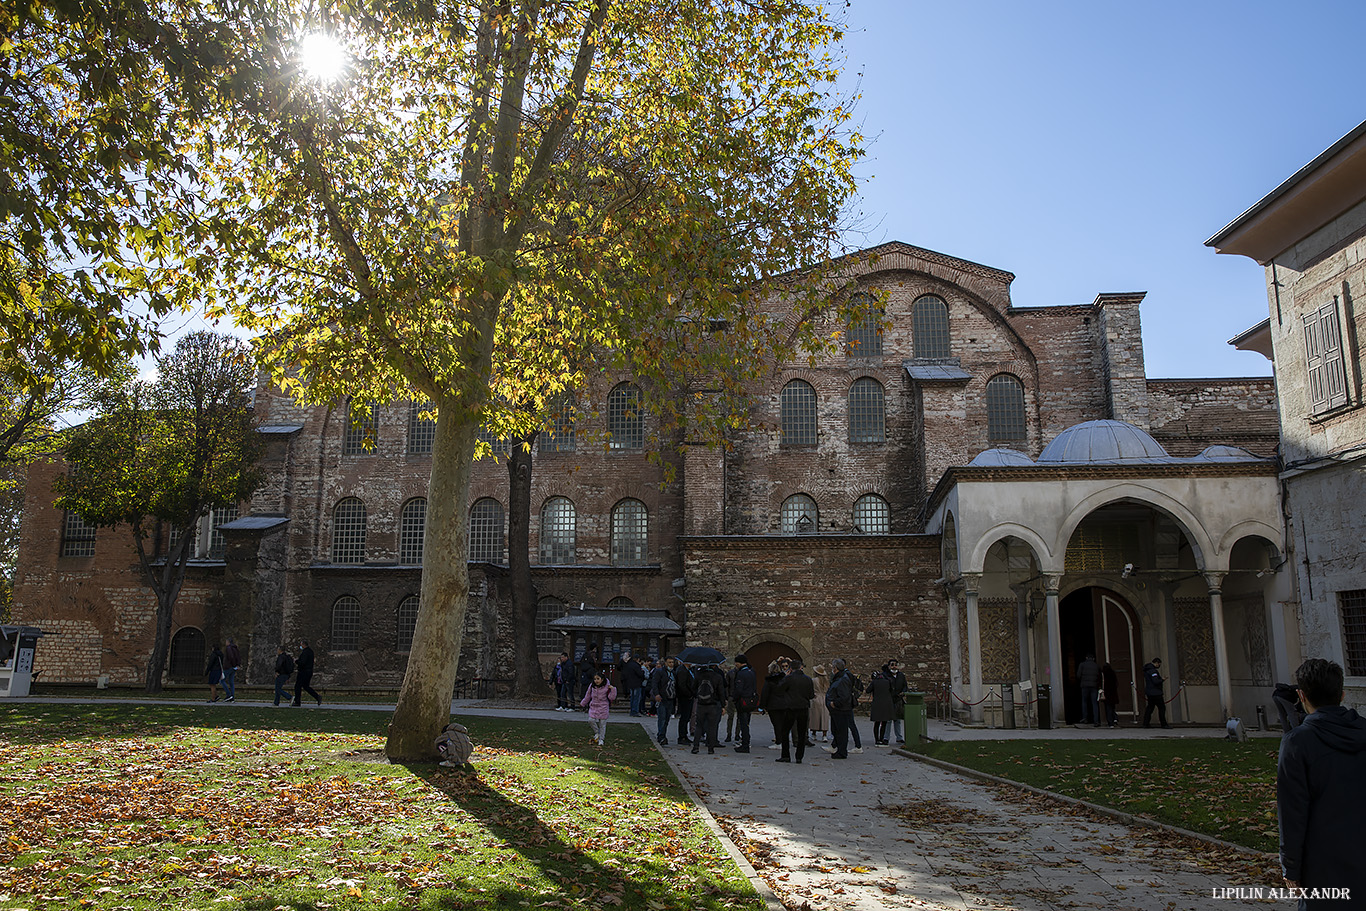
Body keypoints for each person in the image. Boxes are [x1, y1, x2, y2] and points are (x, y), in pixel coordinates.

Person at [1276, 658, 1366, 909]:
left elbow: (1292, 811)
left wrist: (1290, 867)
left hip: (1322, 865)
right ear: (1343, 694)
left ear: (1301, 696)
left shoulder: (1297, 743)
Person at [774, 658, 814, 763]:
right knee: (802, 733)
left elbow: (779, 690)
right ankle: (799, 756)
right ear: (801, 667)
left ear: (791, 668)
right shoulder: (808, 679)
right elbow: (811, 695)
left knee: (785, 731)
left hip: (790, 708)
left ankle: (786, 755)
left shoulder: (789, 678)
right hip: (803, 708)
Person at [691, 662, 728, 754]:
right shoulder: (717, 676)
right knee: (712, 726)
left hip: (701, 704)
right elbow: (721, 692)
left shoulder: (699, 675)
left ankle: (695, 746)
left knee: (699, 726)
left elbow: (693, 688)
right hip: (713, 704)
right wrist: (723, 705)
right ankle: (710, 748)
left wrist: (698, 696)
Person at [825, 657, 856, 759]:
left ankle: (842, 751)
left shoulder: (843, 679)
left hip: (841, 709)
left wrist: (835, 703)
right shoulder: (839, 678)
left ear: (836, 668)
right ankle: (839, 749)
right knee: (838, 731)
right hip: (837, 710)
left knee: (842, 731)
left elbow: (844, 696)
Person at [580, 672, 617, 746]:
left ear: (602, 679)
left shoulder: (607, 686)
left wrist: (613, 690)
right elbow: (588, 695)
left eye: (598, 679)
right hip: (593, 706)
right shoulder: (592, 686)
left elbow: (611, 697)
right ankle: (597, 733)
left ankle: (601, 739)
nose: (596, 681)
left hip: (603, 707)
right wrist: (583, 703)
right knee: (591, 720)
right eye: (594, 679)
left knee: (602, 724)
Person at [650, 656, 680, 745]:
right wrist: (657, 694)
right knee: (662, 718)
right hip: (662, 698)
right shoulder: (660, 672)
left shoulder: (674, 673)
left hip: (670, 698)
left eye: (672, 662)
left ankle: (663, 734)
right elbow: (654, 683)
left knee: (667, 718)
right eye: (669, 662)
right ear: (665, 663)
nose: (671, 664)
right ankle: (661, 736)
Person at [731, 654, 758, 753]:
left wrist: (734, 698)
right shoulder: (752, 672)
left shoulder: (741, 674)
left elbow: (739, 689)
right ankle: (745, 742)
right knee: (746, 722)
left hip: (743, 701)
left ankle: (745, 744)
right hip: (750, 700)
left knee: (743, 723)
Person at [758, 659, 786, 749]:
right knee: (783, 723)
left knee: (776, 724)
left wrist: (761, 707)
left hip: (773, 705)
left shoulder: (769, 681)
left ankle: (779, 742)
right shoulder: (784, 679)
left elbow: (765, 693)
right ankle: (783, 741)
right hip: (784, 704)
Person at [1141, 657, 1170, 729]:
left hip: (1150, 692)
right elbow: (1156, 681)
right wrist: (1162, 679)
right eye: (1159, 664)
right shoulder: (1153, 671)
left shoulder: (1147, 670)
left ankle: (1145, 723)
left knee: (1150, 708)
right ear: (1156, 663)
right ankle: (1164, 724)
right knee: (1161, 708)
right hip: (1156, 693)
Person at [869, 665, 895, 745]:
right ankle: (882, 738)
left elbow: (867, 690)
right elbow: (892, 690)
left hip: (877, 703)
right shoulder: (888, 681)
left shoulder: (874, 682)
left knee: (877, 723)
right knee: (884, 723)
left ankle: (877, 739)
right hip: (886, 704)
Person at [293, 639, 322, 707]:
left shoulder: (305, 652)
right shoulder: (310, 651)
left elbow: (303, 662)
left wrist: (296, 661)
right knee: (306, 686)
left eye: (301, 645)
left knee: (298, 686)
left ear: (303, 645)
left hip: (303, 671)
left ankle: (297, 701)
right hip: (308, 671)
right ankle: (317, 697)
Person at [886, 659, 908, 744]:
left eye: (895, 665)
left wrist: (903, 692)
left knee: (897, 720)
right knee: (888, 720)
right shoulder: (886, 676)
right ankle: (886, 737)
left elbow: (905, 686)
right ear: (889, 666)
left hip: (898, 700)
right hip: (889, 700)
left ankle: (899, 737)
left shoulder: (901, 676)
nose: (894, 666)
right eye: (892, 665)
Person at [674, 660, 696, 746]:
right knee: (684, 717)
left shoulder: (688, 670)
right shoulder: (682, 670)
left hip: (688, 696)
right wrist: (689, 694)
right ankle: (682, 736)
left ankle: (684, 735)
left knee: (687, 717)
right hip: (685, 697)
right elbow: (682, 685)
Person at [809, 663, 831, 743]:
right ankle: (824, 735)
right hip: (824, 698)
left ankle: (814, 733)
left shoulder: (814, 680)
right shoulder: (826, 681)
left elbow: (811, 690)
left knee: (815, 716)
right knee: (824, 717)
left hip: (816, 698)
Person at [1078, 653, 1101, 726]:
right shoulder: (1096, 665)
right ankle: (1096, 721)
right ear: (1093, 658)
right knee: (1094, 703)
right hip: (1094, 686)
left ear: (1086, 657)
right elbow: (1099, 676)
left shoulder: (1082, 665)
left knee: (1084, 702)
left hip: (1084, 685)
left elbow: (1078, 675)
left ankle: (1085, 718)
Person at [621, 652, 646, 717]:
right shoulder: (636, 666)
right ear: (637, 659)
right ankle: (635, 711)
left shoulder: (629, 665)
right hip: (637, 683)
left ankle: (632, 710)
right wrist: (642, 672)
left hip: (630, 683)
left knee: (632, 698)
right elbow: (640, 674)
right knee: (636, 698)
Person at [576, 643, 599, 711]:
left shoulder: (585, 656)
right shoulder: (592, 656)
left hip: (584, 677)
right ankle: (589, 707)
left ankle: (584, 706)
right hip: (590, 677)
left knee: (585, 692)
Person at [1101, 662, 1120, 728]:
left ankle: (1110, 722)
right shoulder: (1113, 673)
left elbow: (1103, 684)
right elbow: (1116, 683)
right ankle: (1115, 718)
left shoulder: (1103, 674)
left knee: (1108, 708)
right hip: (1113, 693)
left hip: (1107, 693)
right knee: (1112, 707)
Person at [222, 638, 241, 703]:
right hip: (234, 667)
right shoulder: (235, 648)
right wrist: (237, 665)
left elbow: (231, 657)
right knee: (231, 682)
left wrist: (233, 665)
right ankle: (232, 697)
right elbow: (238, 657)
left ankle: (229, 695)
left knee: (222, 680)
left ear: (228, 642)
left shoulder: (229, 648)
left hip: (229, 666)